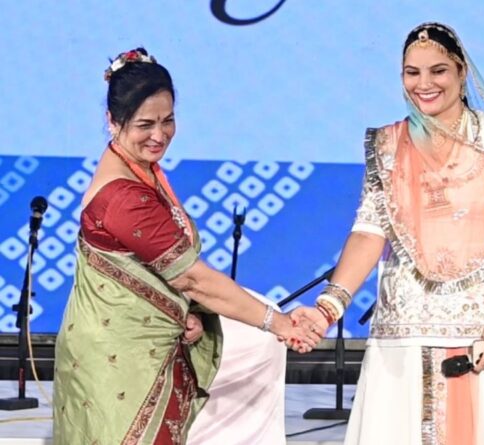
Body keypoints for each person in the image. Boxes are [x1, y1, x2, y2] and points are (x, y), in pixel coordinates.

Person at [293, 22, 484, 444]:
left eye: (438, 71)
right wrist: (326, 309)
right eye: (412, 73)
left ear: (461, 72)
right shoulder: (389, 144)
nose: (424, 84)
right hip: (401, 334)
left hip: (479, 335)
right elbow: (368, 233)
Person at [52, 48, 321, 445]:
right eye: (145, 124)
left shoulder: (143, 171)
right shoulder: (124, 196)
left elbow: (157, 273)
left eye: (168, 120)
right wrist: (278, 324)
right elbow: (192, 279)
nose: (159, 135)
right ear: (112, 121)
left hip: (141, 350)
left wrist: (186, 313)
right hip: (120, 362)